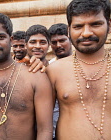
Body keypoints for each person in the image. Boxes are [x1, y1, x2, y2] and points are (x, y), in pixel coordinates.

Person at [47, 0, 111, 139]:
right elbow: (43, 126)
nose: (86, 33)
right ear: (69, 30)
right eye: (78, 26)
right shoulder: (54, 71)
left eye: (95, 24)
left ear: (109, 25)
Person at [48, 23, 72, 140]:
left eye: (62, 40)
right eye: (54, 42)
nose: (58, 45)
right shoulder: (49, 68)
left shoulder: (82, 66)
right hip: (53, 132)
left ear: (70, 39)